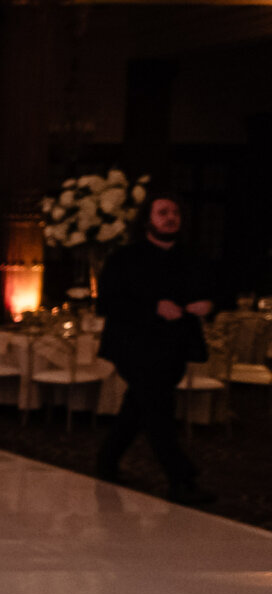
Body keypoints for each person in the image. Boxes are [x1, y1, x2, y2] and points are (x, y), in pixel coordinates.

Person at [96, 191, 216, 505]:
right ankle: (182, 478)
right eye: (163, 212)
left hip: (175, 347)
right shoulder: (125, 258)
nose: (170, 217)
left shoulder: (191, 257)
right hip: (133, 346)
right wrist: (153, 307)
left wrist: (209, 304)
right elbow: (107, 303)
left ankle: (106, 462)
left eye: (174, 212)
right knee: (158, 410)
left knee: (138, 407)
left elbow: (213, 291)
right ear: (148, 219)